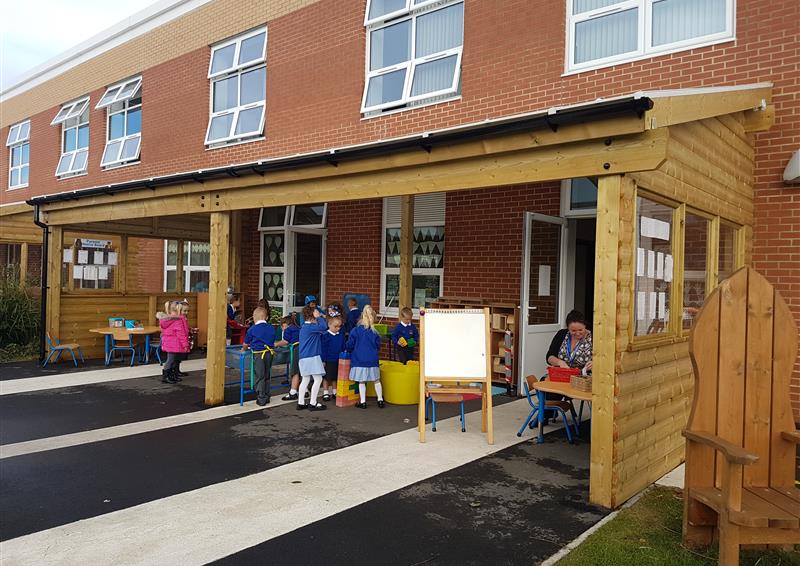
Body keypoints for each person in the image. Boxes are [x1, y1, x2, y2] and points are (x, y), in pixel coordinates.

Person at [346, 305, 384, 409]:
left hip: (359, 360)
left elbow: (350, 344)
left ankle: (363, 402)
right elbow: (378, 346)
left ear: (362, 316)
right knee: (377, 380)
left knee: (361, 381)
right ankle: (380, 400)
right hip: (372, 360)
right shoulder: (374, 332)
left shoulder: (355, 330)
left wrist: (348, 350)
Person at [297, 304, 329, 411]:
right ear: (312, 316)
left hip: (303, 357)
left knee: (305, 379)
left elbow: (323, 330)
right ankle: (313, 403)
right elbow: (324, 327)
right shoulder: (311, 327)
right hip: (312, 357)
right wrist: (319, 317)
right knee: (318, 379)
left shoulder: (305, 328)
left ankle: (301, 403)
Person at [242, 307, 275, 406]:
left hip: (258, 354)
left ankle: (261, 397)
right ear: (266, 317)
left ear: (254, 317)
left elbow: (246, 343)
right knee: (267, 373)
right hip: (269, 353)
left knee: (259, 375)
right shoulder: (271, 327)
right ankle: (267, 395)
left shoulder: (252, 329)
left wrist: (243, 349)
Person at [159, 301, 190, 384]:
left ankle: (170, 375)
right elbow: (181, 334)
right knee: (171, 360)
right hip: (175, 343)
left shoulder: (166, 320)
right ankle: (166, 377)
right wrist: (185, 345)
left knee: (171, 359)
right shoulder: (178, 320)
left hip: (169, 343)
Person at [321, 314, 344, 401]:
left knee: (335, 376)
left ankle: (335, 391)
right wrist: (323, 360)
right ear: (329, 324)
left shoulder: (340, 335)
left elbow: (343, 346)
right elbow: (323, 349)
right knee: (327, 377)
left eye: (339, 326)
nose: (338, 328)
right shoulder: (325, 335)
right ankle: (326, 392)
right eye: (336, 326)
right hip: (328, 359)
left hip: (338, 359)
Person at [278, 315, 302, 400]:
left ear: (286, 324)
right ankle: (304, 390)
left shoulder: (288, 329)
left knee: (294, 371)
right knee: (301, 371)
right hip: (303, 349)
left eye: (282, 326)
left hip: (296, 350)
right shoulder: (298, 328)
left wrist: (275, 344)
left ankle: (293, 392)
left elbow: (285, 341)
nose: (282, 329)